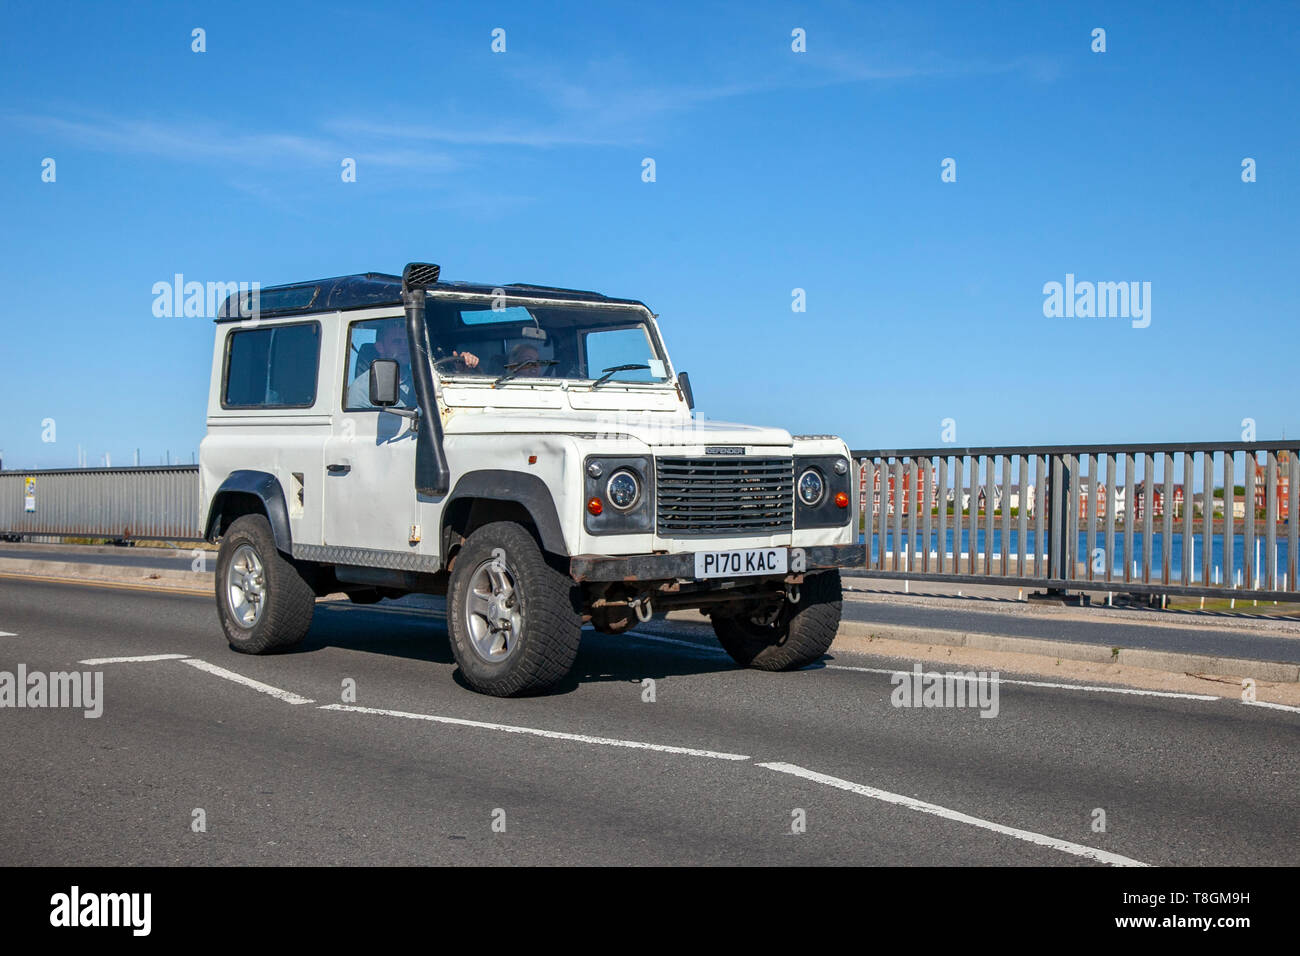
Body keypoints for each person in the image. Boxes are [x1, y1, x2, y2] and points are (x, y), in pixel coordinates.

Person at [347, 319, 479, 409]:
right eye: (397, 342)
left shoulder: (420, 378)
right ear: (380, 347)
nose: (404, 347)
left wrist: (463, 372)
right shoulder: (363, 388)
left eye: (407, 342)